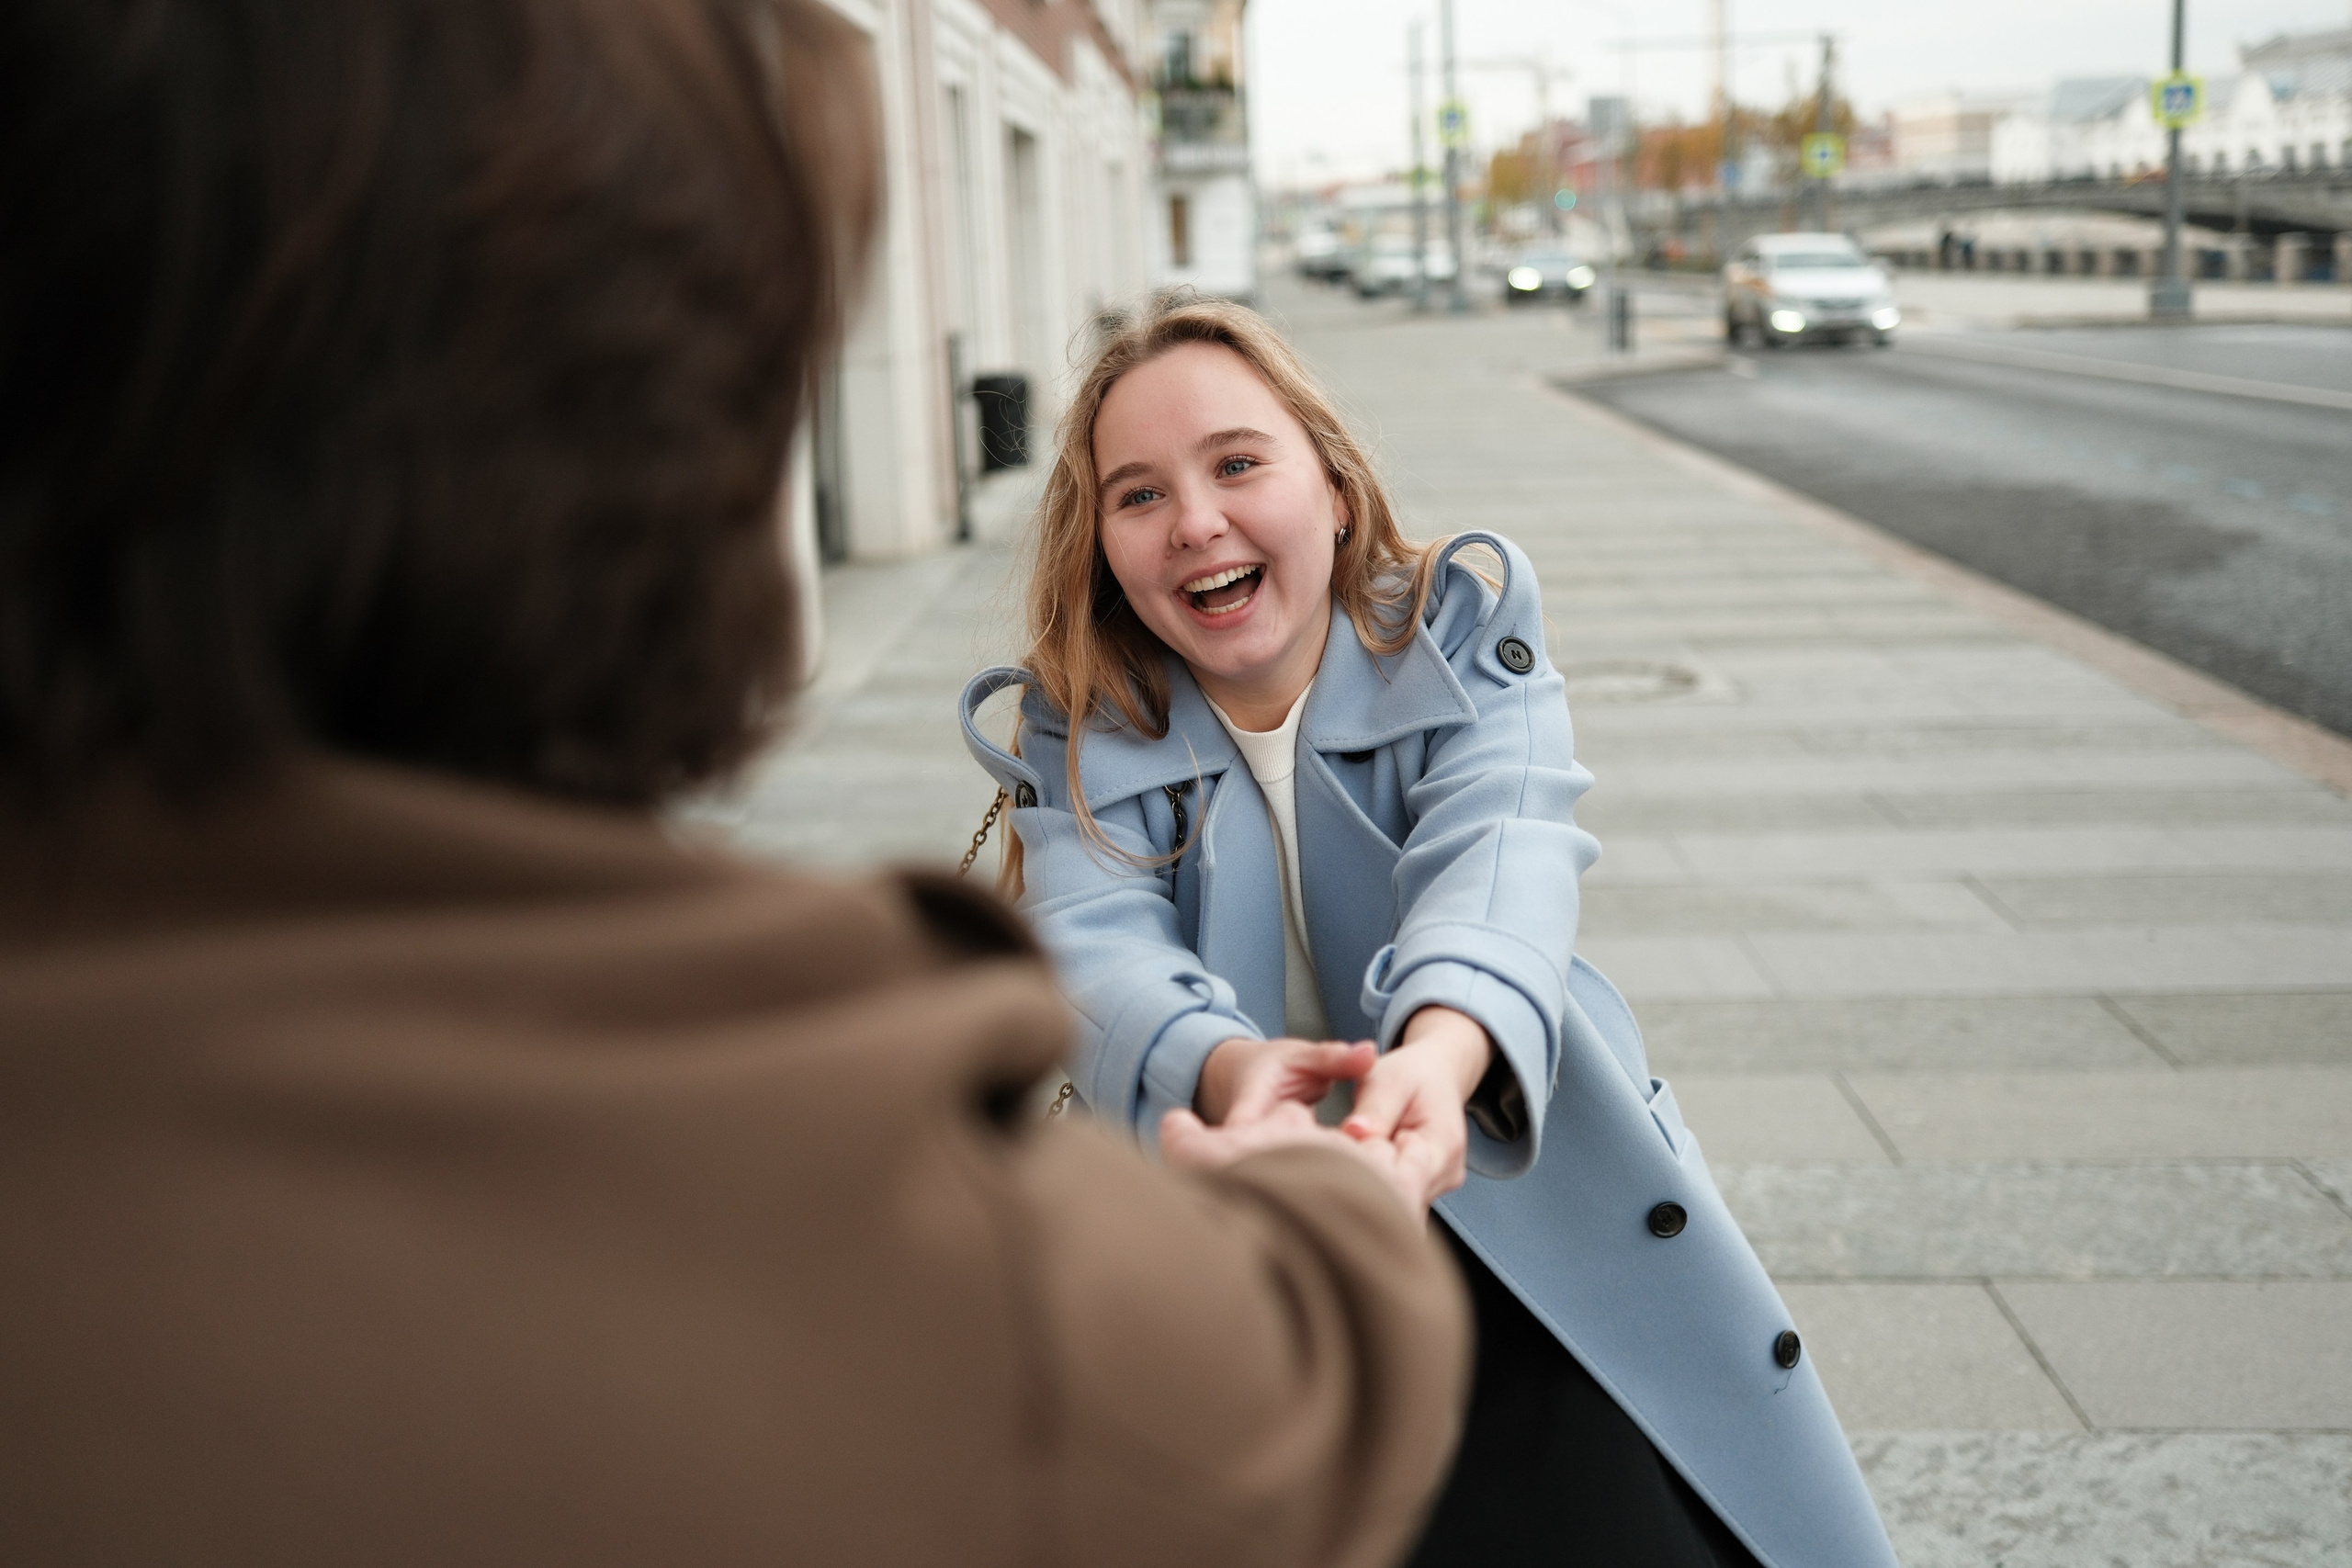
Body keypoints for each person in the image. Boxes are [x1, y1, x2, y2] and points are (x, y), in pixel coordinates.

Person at [0, 6, 1472, 1564]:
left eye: (1240, 466)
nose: (1195, 524)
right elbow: (1280, 1378)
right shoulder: (928, 1269)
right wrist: (1324, 1197)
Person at [959, 292, 1902, 1568]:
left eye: (1237, 464)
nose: (1195, 522)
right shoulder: (1086, 720)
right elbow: (1093, 943)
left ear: (1336, 490)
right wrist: (1228, 1072)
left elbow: (1503, 857)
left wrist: (1440, 1060)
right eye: (1140, 495)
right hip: (1238, 1259)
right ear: (1106, 549)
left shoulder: (1459, 635)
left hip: (1521, 1220)